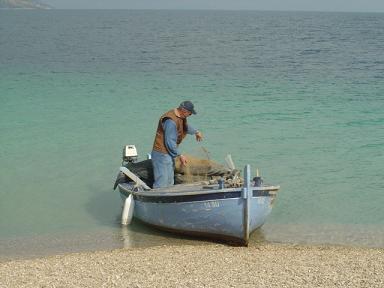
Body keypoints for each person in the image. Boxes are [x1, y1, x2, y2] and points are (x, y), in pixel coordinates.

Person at [151, 100, 203, 188]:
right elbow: (170, 142)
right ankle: (158, 199)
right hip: (161, 154)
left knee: (170, 181)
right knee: (162, 182)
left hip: (168, 153)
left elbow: (185, 126)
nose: (189, 116)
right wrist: (180, 155)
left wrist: (196, 132)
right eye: (190, 114)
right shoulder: (170, 121)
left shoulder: (180, 116)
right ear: (184, 111)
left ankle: (169, 199)